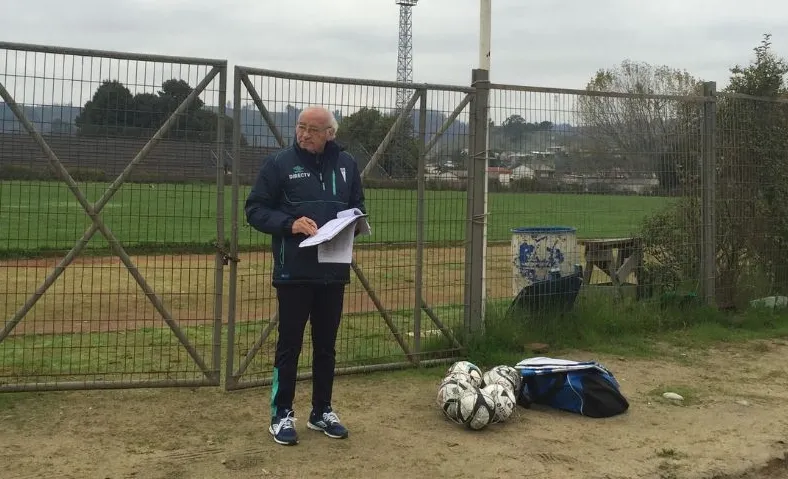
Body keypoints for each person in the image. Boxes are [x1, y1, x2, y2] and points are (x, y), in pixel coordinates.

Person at [244, 106, 366, 446]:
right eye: (300, 127)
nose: (304, 134)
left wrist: (352, 225)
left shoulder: (347, 165)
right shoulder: (279, 164)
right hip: (293, 271)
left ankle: (322, 411)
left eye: (312, 129)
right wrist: (289, 224)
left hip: (333, 270)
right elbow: (254, 209)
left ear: (330, 134)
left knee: (326, 346)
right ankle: (281, 414)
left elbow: (357, 203)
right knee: (290, 346)